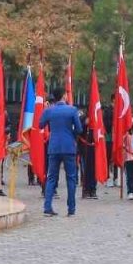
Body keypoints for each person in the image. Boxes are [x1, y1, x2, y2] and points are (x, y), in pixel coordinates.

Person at [39, 87, 83, 216]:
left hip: (54, 146)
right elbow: (79, 129)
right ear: (64, 96)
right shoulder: (72, 110)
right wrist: (71, 134)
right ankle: (71, 209)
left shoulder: (49, 111)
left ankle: (47, 207)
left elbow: (40, 125)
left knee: (51, 177)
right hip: (69, 146)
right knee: (71, 178)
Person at [77, 108, 99, 200]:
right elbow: (78, 130)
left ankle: (93, 189)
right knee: (85, 169)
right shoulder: (82, 118)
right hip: (84, 147)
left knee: (94, 169)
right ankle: (86, 189)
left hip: (94, 147)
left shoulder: (98, 117)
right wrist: (85, 124)